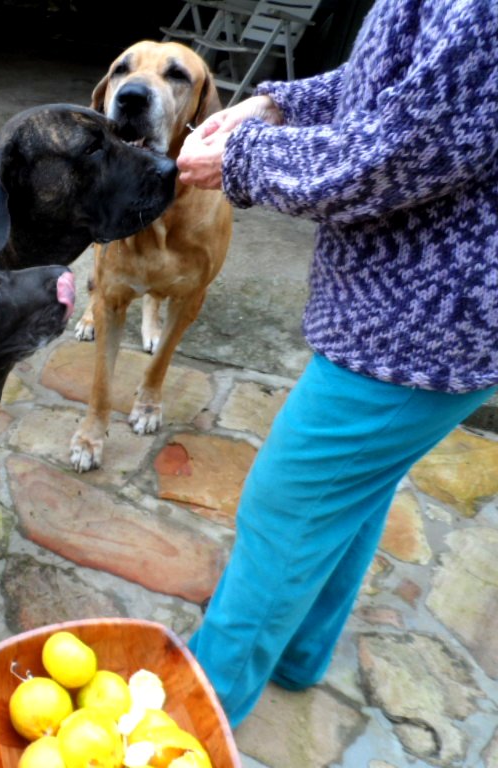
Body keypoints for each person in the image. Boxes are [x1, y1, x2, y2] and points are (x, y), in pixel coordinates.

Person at [176, 0, 498, 727]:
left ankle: (194, 722)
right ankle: (300, 654)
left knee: (285, 507)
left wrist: (245, 157)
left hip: (424, 323)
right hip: (406, 312)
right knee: (353, 489)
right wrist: (274, 101)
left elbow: (395, 148)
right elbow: (383, 83)